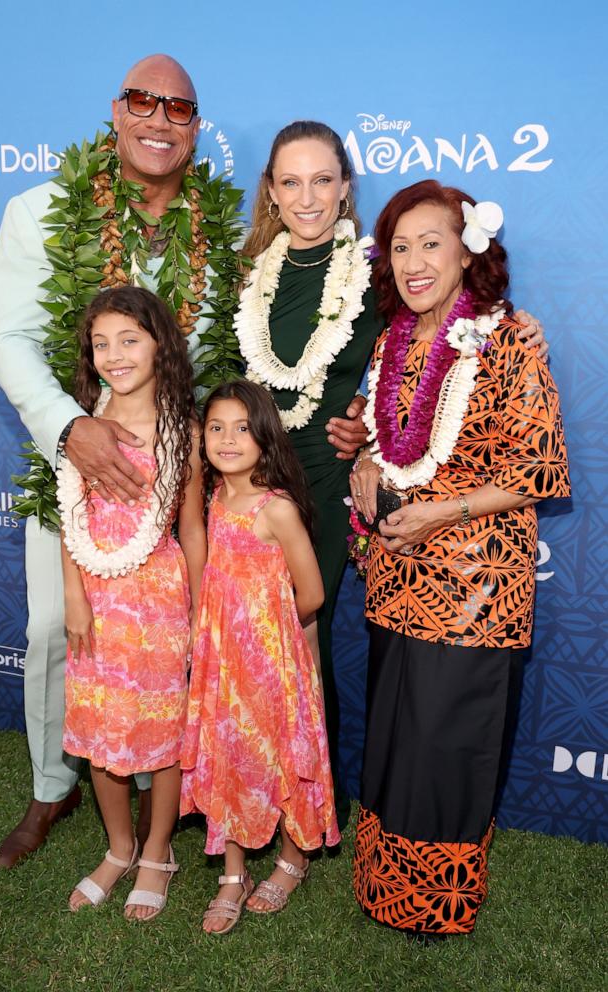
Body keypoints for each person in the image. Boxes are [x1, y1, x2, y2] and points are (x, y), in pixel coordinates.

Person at [233, 121, 549, 828]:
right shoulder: (271, 288)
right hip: (337, 536)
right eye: (290, 180)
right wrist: (369, 450)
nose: (306, 195)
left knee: (412, 716)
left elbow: (529, 460)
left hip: (439, 560)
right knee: (371, 714)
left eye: (322, 179)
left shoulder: (457, 319)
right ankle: (264, 816)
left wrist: (515, 324)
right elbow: (378, 414)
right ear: (271, 193)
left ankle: (342, 846)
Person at [0, 53, 242, 868]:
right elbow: (11, 339)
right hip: (76, 470)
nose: (158, 118)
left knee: (174, 641)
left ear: (195, 128)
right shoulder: (41, 208)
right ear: (115, 111)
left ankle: (179, 776)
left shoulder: (226, 230)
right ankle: (52, 785)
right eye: (142, 100)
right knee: (57, 630)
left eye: (178, 107)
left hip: (181, 473)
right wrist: (72, 429)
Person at [350, 180, 570, 939]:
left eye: (430, 243)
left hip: (476, 588)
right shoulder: (392, 341)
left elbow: (539, 468)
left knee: (446, 747)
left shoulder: (508, 339)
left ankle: (433, 903)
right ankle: (382, 887)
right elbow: (384, 444)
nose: (414, 262)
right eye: (400, 247)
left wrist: (442, 511)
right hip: (395, 577)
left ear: (467, 249)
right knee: (396, 740)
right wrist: (368, 470)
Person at [60, 286, 206, 920]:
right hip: (94, 594)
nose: (114, 355)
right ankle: (117, 848)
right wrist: (74, 596)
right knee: (100, 730)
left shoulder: (184, 430)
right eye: (101, 344)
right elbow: (68, 515)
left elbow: (193, 527)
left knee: (162, 733)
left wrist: (200, 612)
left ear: (159, 345)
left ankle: (156, 851)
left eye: (129, 339)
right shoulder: (81, 424)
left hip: (158, 597)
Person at [180, 380, 340, 934]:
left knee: (282, 753)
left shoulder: (277, 509)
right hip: (224, 667)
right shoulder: (216, 500)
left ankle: (294, 858)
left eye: (241, 428)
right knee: (227, 752)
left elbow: (313, 594)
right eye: (216, 428)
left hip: (275, 667)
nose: (227, 439)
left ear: (265, 436)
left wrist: (265, 638)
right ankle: (232, 872)